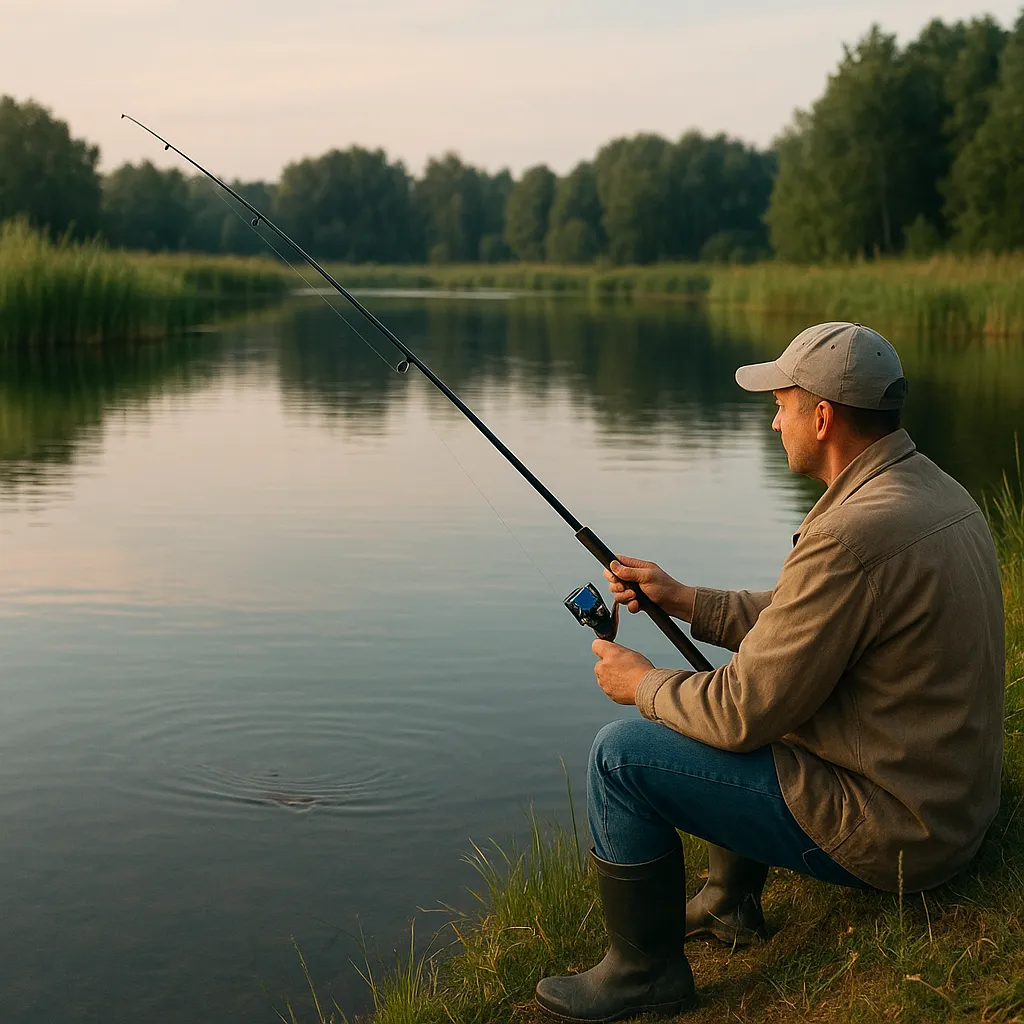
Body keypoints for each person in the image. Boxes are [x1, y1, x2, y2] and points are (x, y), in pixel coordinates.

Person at [535, 322, 1005, 1023]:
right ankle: (729, 904)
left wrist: (644, 685)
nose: (774, 418)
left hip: (901, 833)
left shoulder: (850, 536)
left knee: (620, 759)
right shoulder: (928, 489)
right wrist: (686, 599)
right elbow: (804, 621)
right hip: (948, 804)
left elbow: (740, 711)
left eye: (782, 403)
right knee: (758, 700)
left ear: (823, 417)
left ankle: (644, 975)